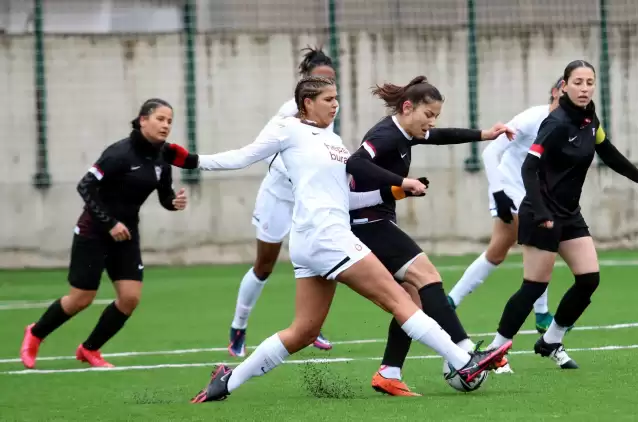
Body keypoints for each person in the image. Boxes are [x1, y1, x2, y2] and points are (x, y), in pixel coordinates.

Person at [162, 76, 512, 403]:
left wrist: (400, 191)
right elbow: (242, 156)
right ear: (306, 102)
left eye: (337, 99)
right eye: (328, 99)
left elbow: (349, 198)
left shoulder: (334, 142)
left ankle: (228, 380)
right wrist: (191, 160)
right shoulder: (289, 130)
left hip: (316, 241)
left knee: (302, 332)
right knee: (403, 300)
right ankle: (464, 360)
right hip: (326, 237)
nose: (335, 105)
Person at [345, 76, 515, 396]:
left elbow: (440, 136)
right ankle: (465, 352)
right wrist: (402, 182)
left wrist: (485, 135)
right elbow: (354, 164)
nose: (432, 122)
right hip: (366, 223)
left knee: (412, 301)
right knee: (427, 276)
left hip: (375, 220)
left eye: (436, 115)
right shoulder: (385, 134)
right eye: (428, 114)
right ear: (408, 108)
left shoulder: (405, 132)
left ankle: (389, 373)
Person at [489, 60, 638, 369]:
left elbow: (607, 151)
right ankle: (494, 350)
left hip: (569, 213)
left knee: (589, 279)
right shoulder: (555, 123)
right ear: (564, 86)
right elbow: (529, 168)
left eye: (589, 82)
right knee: (534, 286)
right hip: (541, 211)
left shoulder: (590, 119)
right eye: (577, 82)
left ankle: (552, 339)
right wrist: (541, 212)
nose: (584, 88)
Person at [19, 98, 188, 369]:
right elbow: (85, 187)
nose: (166, 125)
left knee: (130, 298)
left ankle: (89, 349)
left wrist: (173, 202)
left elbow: (164, 194)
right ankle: (35, 333)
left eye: (170, 121)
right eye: (160, 119)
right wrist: (109, 223)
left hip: (127, 235)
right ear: (143, 119)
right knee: (81, 298)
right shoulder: (119, 153)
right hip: (94, 232)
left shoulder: (162, 159)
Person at [228, 47, 337, 357]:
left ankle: (310, 327)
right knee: (264, 266)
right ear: (306, 82)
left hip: (308, 200)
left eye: (331, 81)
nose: (328, 88)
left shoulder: (329, 112)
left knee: (318, 262)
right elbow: (262, 151)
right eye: (320, 79)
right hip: (277, 196)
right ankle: (239, 325)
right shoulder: (288, 112)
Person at [447, 78, 565, 341]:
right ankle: (542, 314)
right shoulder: (531, 118)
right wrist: (499, 193)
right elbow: (490, 153)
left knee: (498, 252)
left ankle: (450, 301)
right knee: (538, 244)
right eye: (567, 88)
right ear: (555, 92)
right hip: (509, 188)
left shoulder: (572, 124)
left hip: (535, 195)